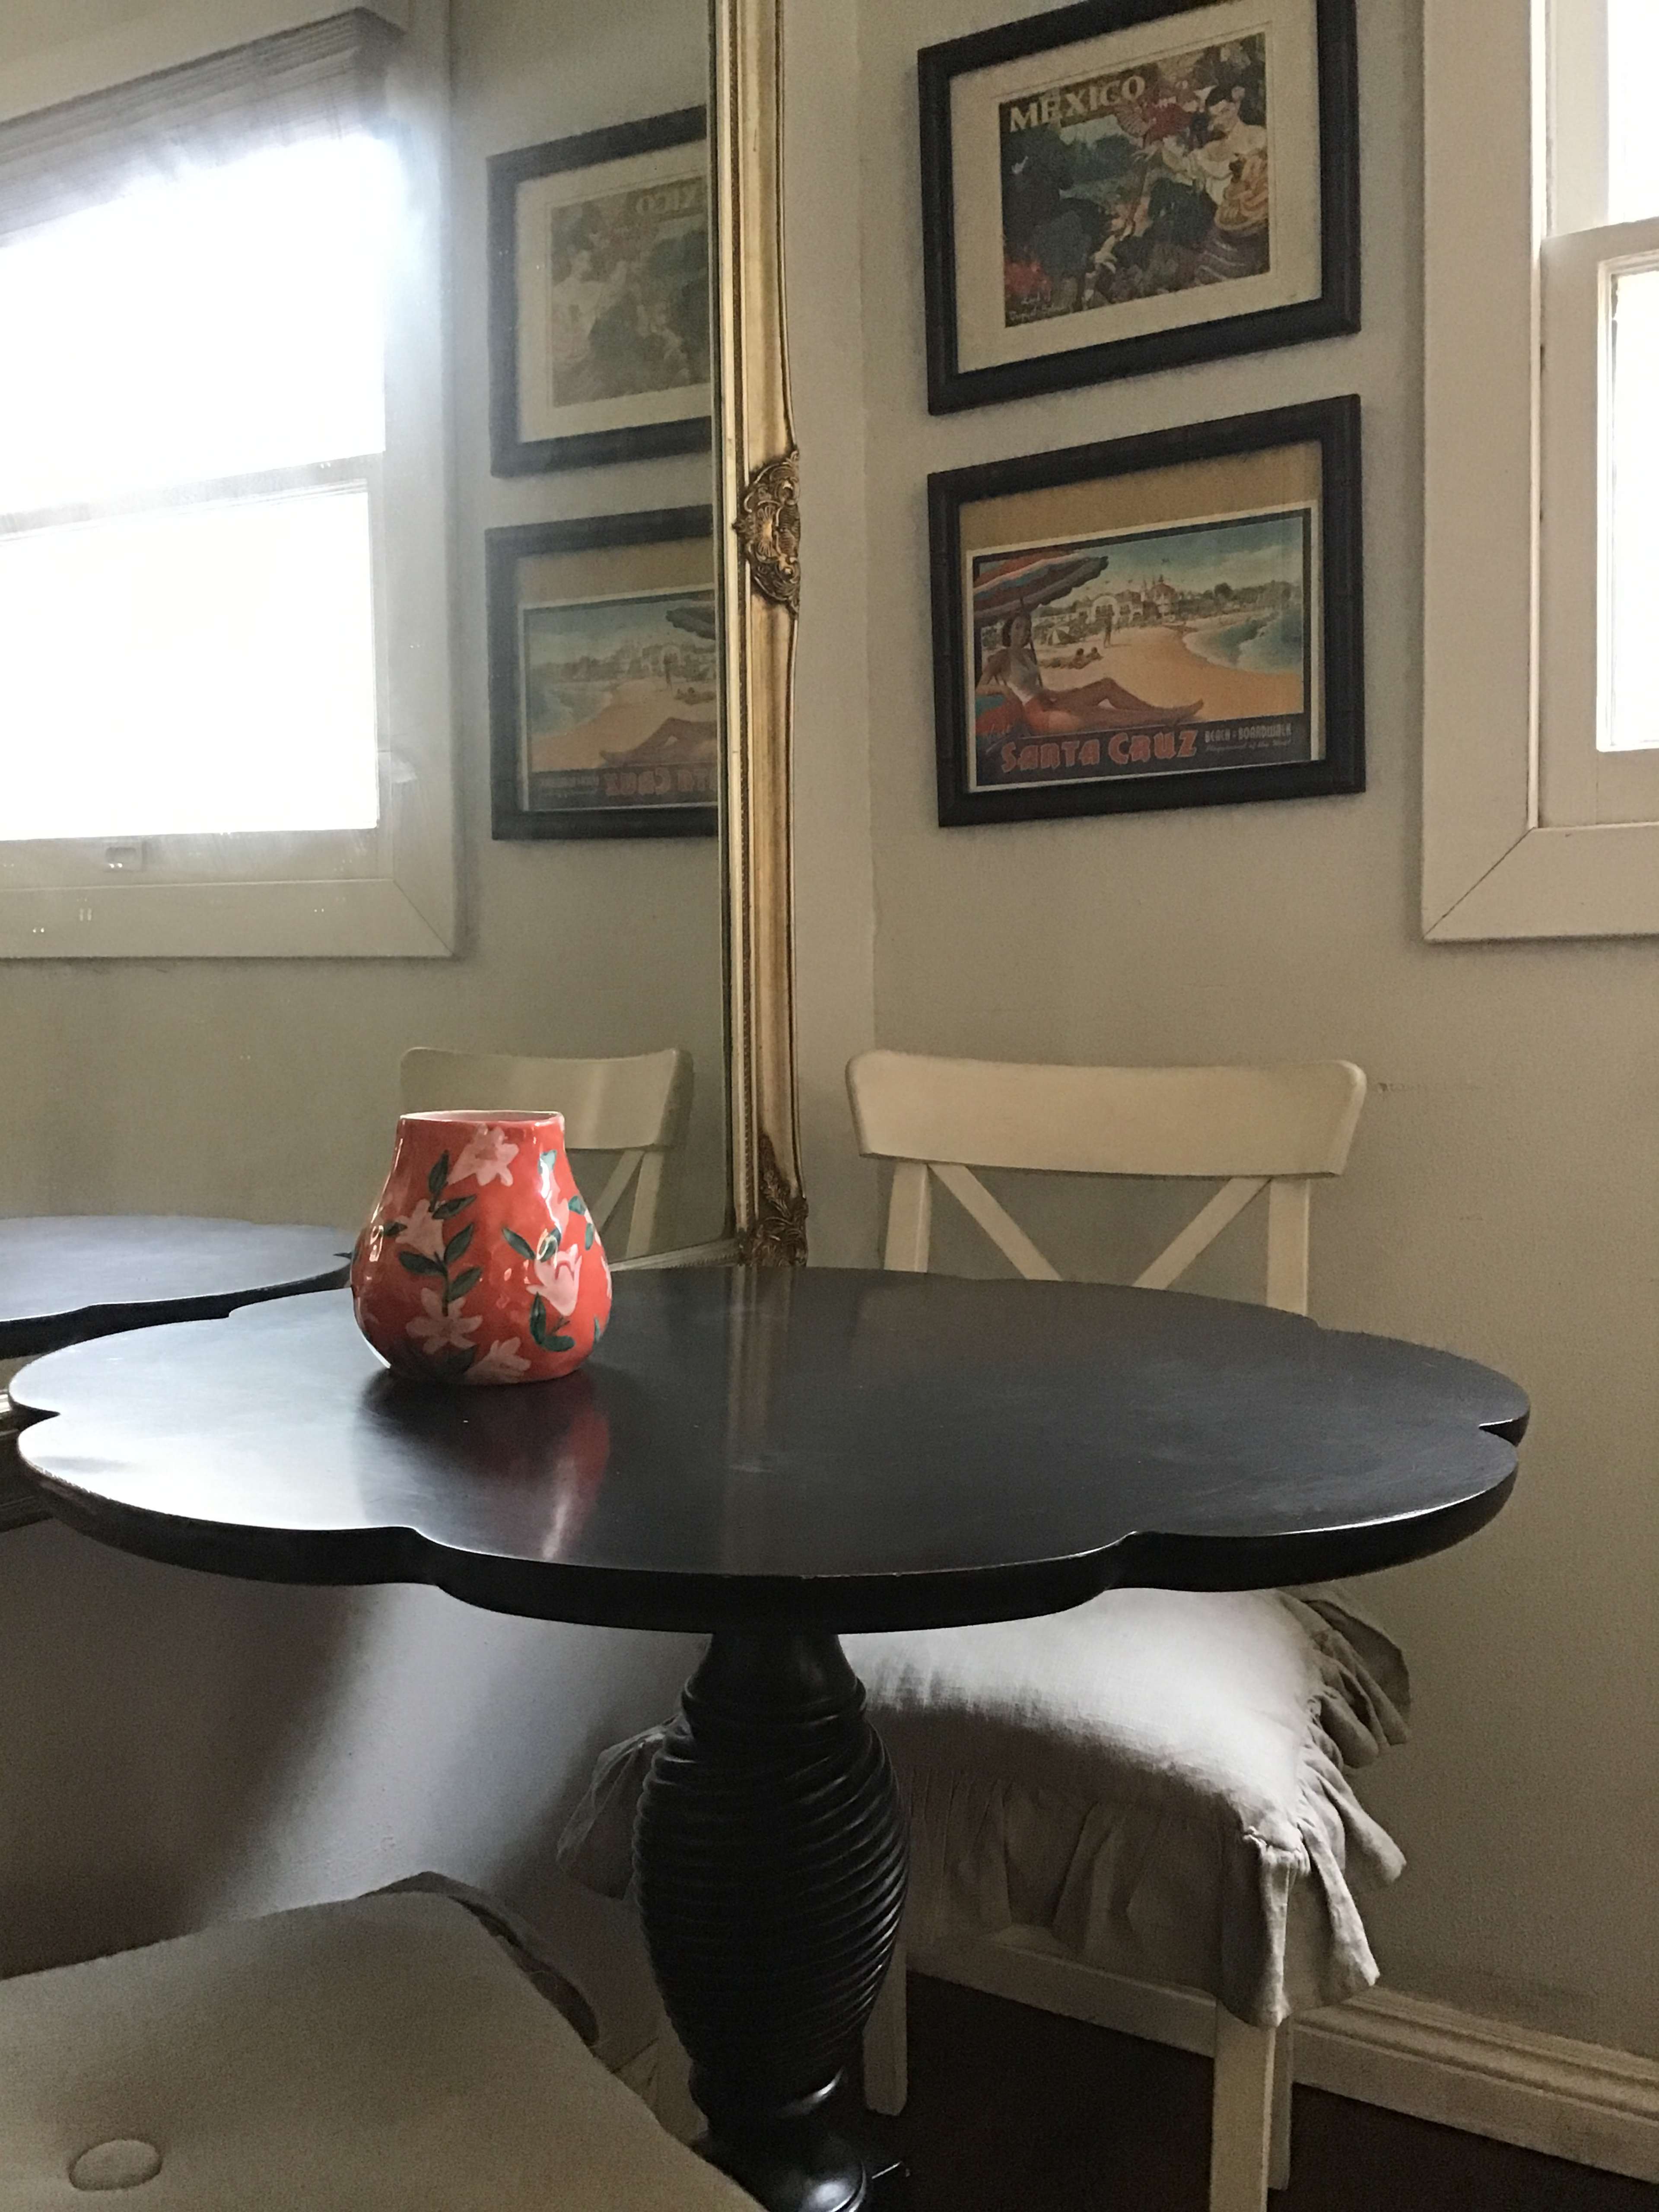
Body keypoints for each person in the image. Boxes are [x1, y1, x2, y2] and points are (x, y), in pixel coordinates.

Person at [977, 610, 1199, 740]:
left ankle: (1160, 713)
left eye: (1027, 629)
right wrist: (1001, 689)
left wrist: (1061, 692)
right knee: (1101, 714)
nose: (1023, 633)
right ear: (1008, 631)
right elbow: (979, 689)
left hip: (1051, 701)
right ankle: (1165, 719)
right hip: (1038, 716)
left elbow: (1035, 688)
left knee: (1107, 685)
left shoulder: (1028, 654)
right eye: (1018, 628)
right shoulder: (1001, 658)